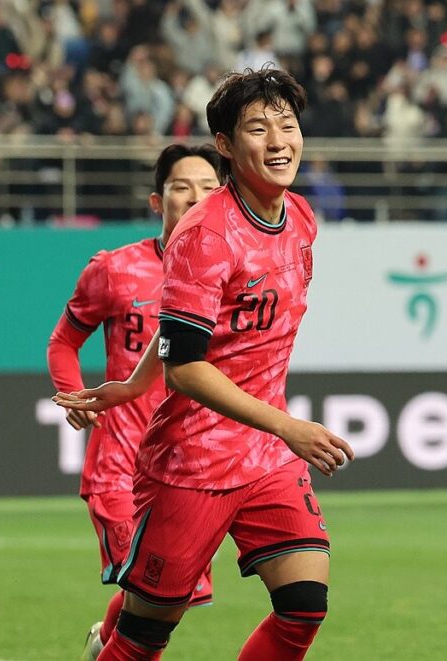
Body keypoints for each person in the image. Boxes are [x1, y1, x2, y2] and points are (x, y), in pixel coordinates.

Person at [54, 68, 354, 660]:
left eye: (287, 126)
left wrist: (132, 384)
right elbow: (187, 367)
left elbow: (179, 332)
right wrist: (288, 427)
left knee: (304, 605)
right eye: (258, 129)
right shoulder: (206, 235)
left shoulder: (300, 218)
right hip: (193, 462)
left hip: (264, 457)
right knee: (143, 636)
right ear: (225, 145)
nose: (279, 142)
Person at [46, 143, 222, 660]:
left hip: (188, 467)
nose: (195, 197)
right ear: (157, 201)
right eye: (182, 187)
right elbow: (63, 341)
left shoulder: (229, 274)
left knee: (166, 599)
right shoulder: (115, 269)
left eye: (209, 188)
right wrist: (75, 395)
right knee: (151, 601)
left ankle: (103, 642)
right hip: (120, 466)